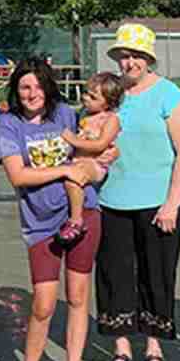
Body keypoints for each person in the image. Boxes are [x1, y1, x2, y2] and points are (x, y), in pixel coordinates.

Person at [0, 59, 104, 361]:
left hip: (83, 213)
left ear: (48, 87)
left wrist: (93, 171)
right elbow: (18, 175)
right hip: (40, 223)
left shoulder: (67, 116)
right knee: (42, 303)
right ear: (16, 90)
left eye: (38, 86)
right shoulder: (8, 125)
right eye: (25, 87)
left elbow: (94, 156)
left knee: (78, 296)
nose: (32, 93)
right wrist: (65, 171)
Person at [95, 24, 180, 361]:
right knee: (114, 274)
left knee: (157, 273)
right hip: (112, 200)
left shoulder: (168, 95)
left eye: (136, 55)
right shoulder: (110, 95)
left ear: (148, 59)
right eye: (124, 55)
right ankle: (121, 350)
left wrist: (172, 203)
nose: (129, 61)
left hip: (158, 203)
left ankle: (154, 349)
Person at [59, 71, 124, 240]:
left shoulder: (110, 119)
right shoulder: (84, 114)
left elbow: (100, 145)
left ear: (108, 103)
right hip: (79, 159)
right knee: (67, 175)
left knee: (72, 180)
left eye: (93, 97)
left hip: (96, 164)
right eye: (86, 92)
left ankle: (76, 221)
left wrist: (73, 140)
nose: (86, 98)